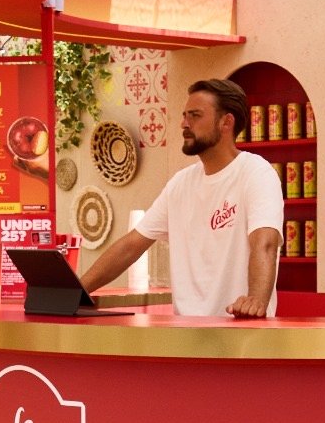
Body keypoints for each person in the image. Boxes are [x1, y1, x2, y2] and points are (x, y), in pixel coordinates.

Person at [81, 78, 284, 318]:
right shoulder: (180, 183)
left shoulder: (256, 172)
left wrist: (256, 302)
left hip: (239, 331)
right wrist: (76, 291)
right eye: (184, 116)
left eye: (195, 116)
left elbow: (265, 244)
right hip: (185, 331)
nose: (184, 124)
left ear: (226, 122)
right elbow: (130, 246)